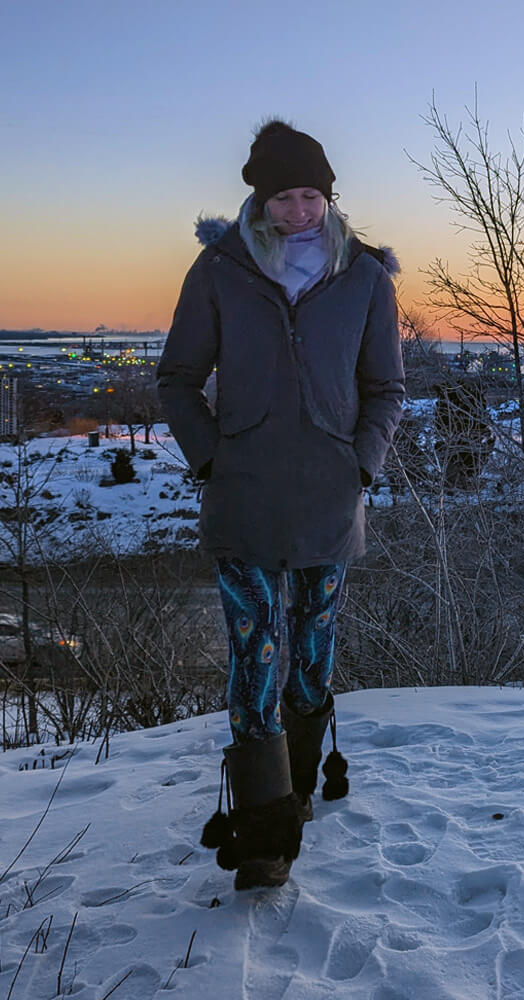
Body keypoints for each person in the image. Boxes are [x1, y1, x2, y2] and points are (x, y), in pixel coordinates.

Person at [156, 119, 405, 890]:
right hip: (246, 502)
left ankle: (294, 788)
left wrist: (360, 465)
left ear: (329, 198)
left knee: (311, 651)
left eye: (311, 196)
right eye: (282, 198)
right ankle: (264, 832)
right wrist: (212, 458)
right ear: (258, 202)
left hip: (331, 505)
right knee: (256, 650)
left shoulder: (364, 276)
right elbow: (177, 378)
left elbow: (386, 389)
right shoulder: (222, 269)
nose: (299, 212)